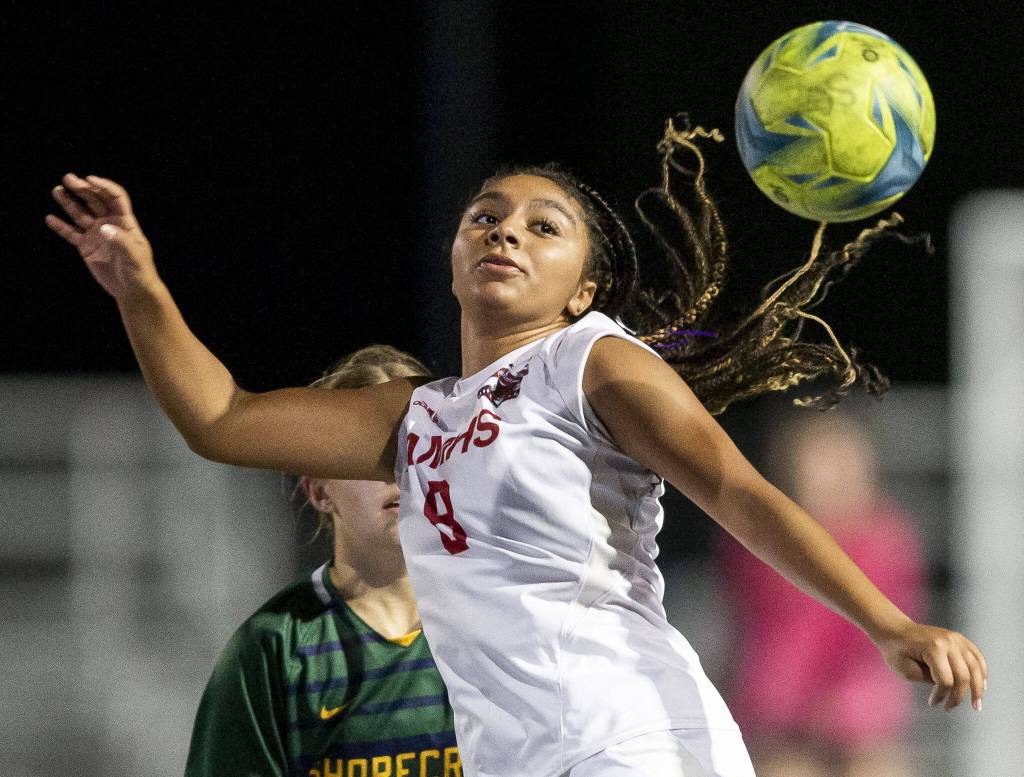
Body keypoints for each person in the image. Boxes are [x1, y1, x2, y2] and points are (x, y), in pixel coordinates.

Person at [47, 118, 987, 777]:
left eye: (546, 226)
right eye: (486, 216)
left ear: (583, 290)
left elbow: (738, 491)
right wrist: (139, 288)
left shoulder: (591, 362)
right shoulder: (418, 416)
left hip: (633, 741)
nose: (507, 231)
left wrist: (888, 624)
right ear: (456, 257)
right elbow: (221, 418)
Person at [184, 346, 462, 777]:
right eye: (375, 454)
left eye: (417, 448)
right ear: (319, 491)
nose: (402, 473)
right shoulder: (274, 648)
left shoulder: (491, 621)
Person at [719, 408, 926, 777]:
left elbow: (878, 643)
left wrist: (843, 708)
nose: (836, 480)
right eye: (823, 466)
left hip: (861, 722)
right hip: (781, 719)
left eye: (845, 466)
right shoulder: (764, 542)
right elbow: (772, 648)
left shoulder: (887, 541)